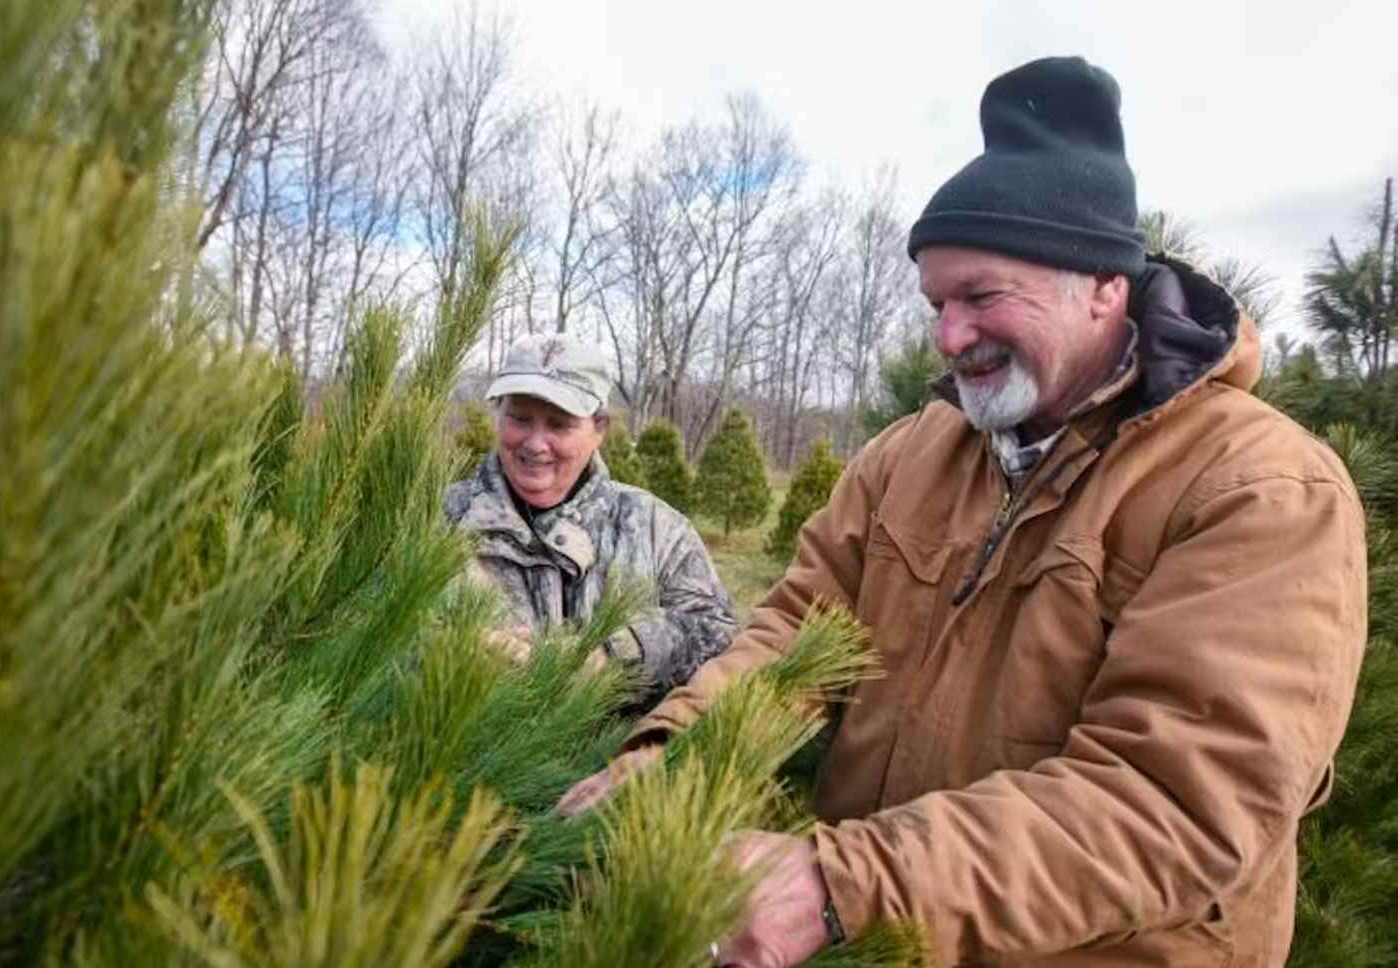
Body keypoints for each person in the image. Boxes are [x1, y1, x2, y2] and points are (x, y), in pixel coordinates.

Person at [557, 56, 1367, 967]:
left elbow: (1176, 800)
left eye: (981, 296)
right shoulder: (913, 453)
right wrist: (669, 758)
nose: (948, 337)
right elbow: (792, 636)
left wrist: (846, 883)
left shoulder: (1257, 487)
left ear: (1103, 283)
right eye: (936, 303)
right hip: (876, 939)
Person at [444, 333, 736, 700]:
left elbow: (715, 632)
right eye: (519, 419)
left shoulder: (656, 529)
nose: (535, 443)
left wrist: (610, 656)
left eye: (558, 425)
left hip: (619, 756)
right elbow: (368, 624)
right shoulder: (439, 521)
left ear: (599, 429)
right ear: (498, 415)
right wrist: (455, 648)